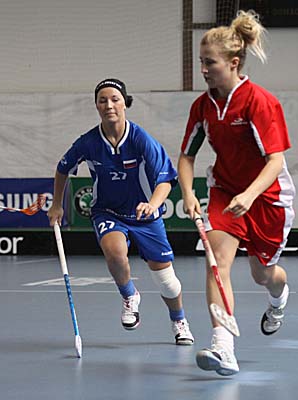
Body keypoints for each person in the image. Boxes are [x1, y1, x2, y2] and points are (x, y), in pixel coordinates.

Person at [178, 10, 295, 376]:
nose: (203, 69)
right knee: (217, 262)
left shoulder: (260, 102)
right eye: (201, 61)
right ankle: (223, 346)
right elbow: (186, 156)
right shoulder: (203, 106)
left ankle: (279, 297)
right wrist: (188, 193)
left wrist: (250, 195)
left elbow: (275, 161)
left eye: (209, 62)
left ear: (233, 62)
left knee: (264, 274)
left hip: (267, 198)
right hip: (225, 192)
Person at [47, 78, 194, 346]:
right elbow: (62, 168)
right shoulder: (88, 142)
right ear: (96, 106)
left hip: (145, 215)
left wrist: (153, 204)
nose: (109, 105)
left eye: (115, 99)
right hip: (108, 211)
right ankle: (129, 296)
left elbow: (165, 179)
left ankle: (179, 320)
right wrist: (57, 204)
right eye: (102, 100)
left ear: (125, 103)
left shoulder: (141, 139)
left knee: (167, 282)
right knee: (115, 252)